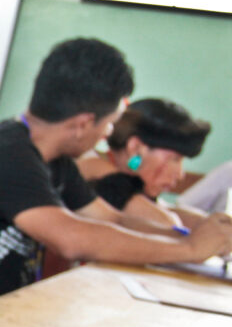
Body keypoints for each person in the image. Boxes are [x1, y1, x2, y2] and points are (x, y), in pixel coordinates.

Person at [0, 38, 232, 312]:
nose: (108, 134)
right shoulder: (5, 155)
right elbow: (72, 238)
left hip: (8, 309)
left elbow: (111, 220)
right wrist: (188, 250)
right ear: (83, 124)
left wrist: (195, 237)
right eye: (110, 124)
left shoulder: (54, 160)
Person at [77, 98, 213, 229]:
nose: (180, 174)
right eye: (175, 159)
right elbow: (166, 224)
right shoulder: (93, 167)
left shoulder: (129, 182)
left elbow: (165, 210)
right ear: (135, 147)